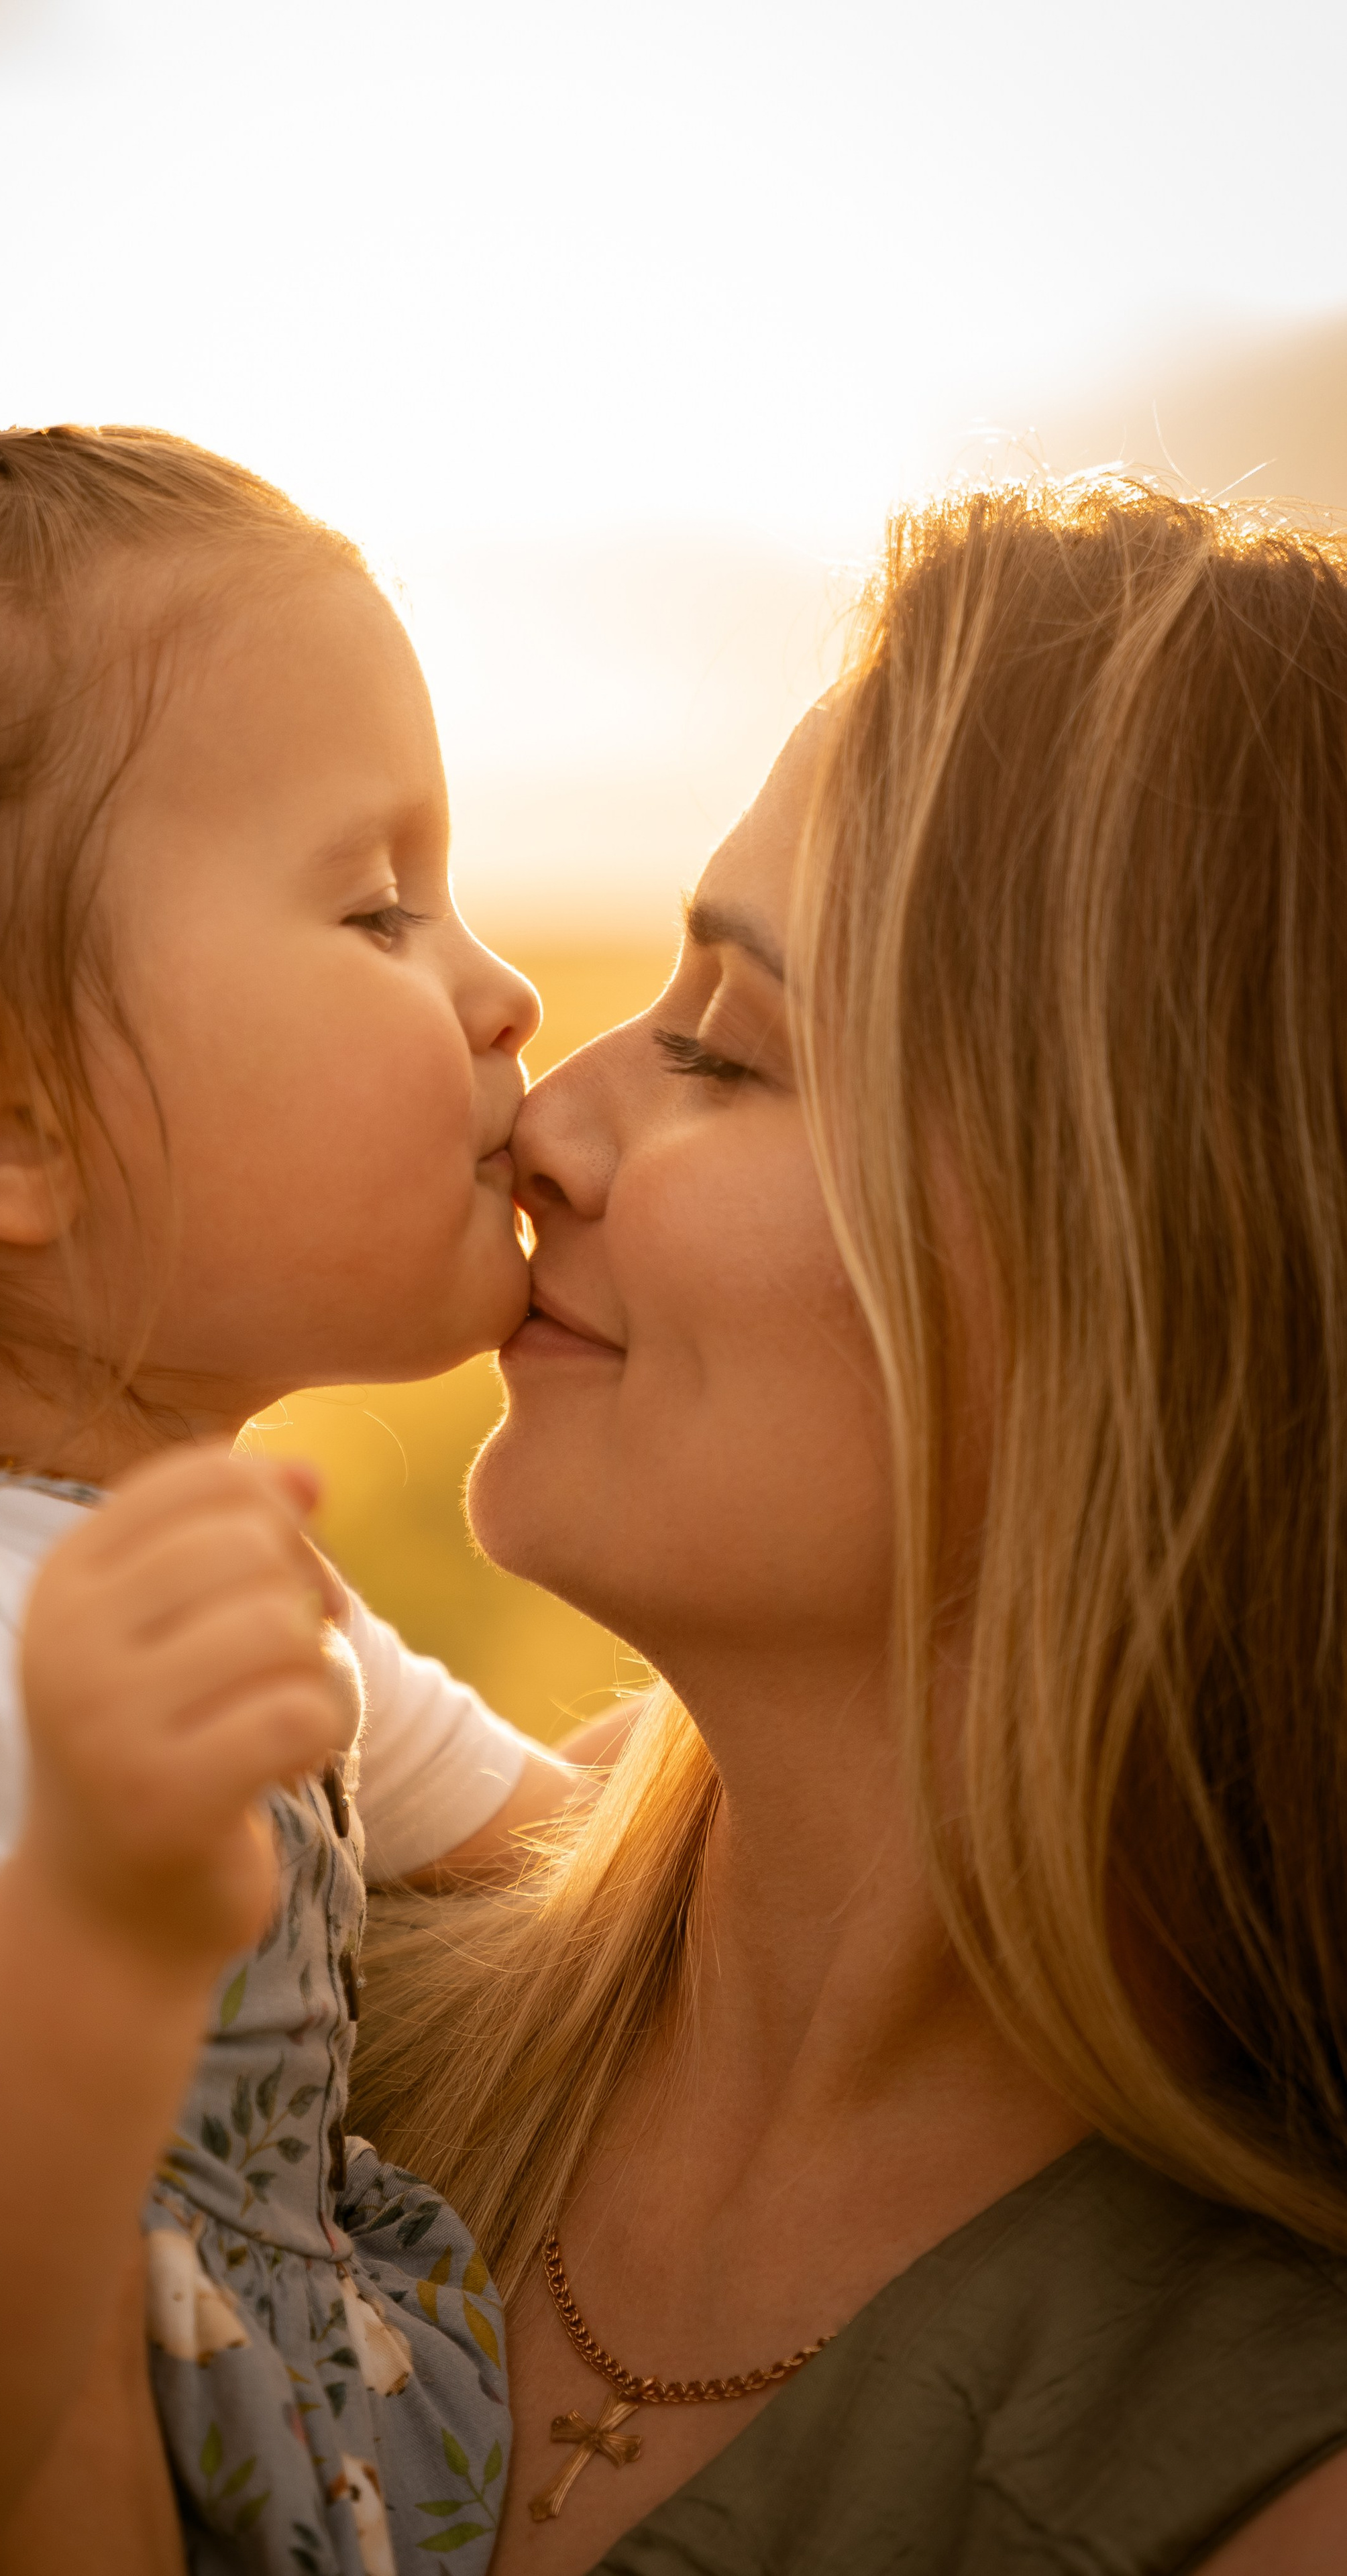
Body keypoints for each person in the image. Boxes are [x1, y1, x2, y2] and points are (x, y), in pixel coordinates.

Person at [0, 340, 591, 2576]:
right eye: (376, 908)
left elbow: (604, 1873)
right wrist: (84, 1927)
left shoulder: (210, 1580)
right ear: (3, 1120)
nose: (502, 991)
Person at [353, 479, 1347, 2573]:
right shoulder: (282, 1976)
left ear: (1136, 1288)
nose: (545, 1122)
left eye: (725, 1049)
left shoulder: (1263, 2484)